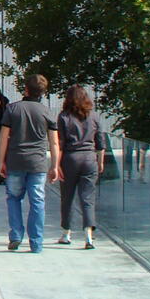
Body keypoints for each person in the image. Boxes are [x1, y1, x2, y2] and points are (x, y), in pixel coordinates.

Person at [0, 72, 58, 253]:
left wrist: (1, 160)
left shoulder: (12, 109)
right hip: (38, 163)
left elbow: (3, 137)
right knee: (37, 201)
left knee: (14, 198)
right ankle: (36, 242)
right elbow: (54, 141)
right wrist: (55, 165)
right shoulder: (47, 112)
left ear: (25, 89)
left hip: (16, 160)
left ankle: (16, 234)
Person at [55, 85, 103, 248]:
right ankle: (89, 235)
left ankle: (67, 233)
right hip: (89, 158)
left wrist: (56, 165)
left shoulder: (63, 117)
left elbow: (60, 143)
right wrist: (100, 162)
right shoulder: (94, 116)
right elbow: (100, 143)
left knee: (67, 197)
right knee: (87, 198)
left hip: (70, 158)